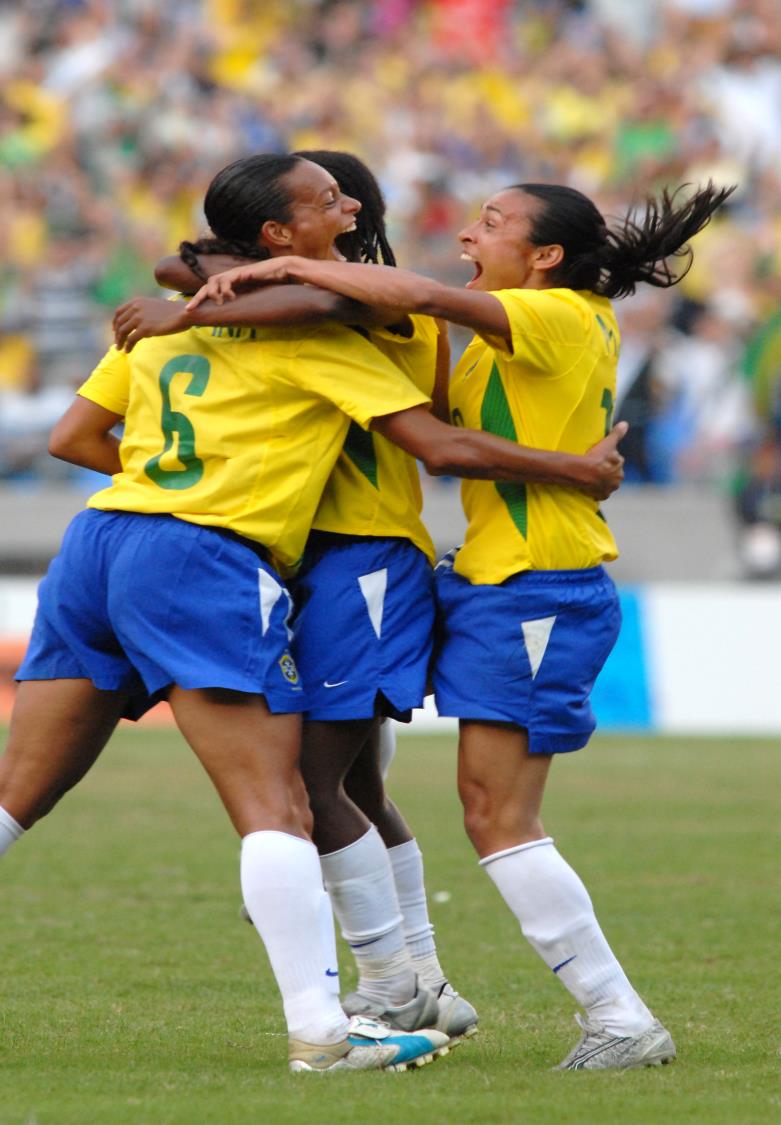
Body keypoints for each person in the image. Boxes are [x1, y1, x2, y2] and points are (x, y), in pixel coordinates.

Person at [0, 152, 626, 1075]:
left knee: (321, 789)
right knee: (299, 796)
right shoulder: (333, 331)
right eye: (328, 195)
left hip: (128, 543)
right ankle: (368, 1001)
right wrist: (576, 467)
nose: (354, 203)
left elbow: (75, 432)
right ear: (274, 236)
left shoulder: (297, 312)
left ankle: (403, 980)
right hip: (252, 556)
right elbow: (439, 442)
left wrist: (175, 448)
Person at [186, 178, 735, 1069]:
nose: (469, 230)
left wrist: (283, 261)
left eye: (493, 221)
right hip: (490, 583)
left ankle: (619, 1018)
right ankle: (413, 979)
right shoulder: (499, 337)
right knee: (458, 802)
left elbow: (419, 295)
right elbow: (444, 434)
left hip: (539, 588)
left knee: (497, 815)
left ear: (546, 254)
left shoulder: (557, 313)